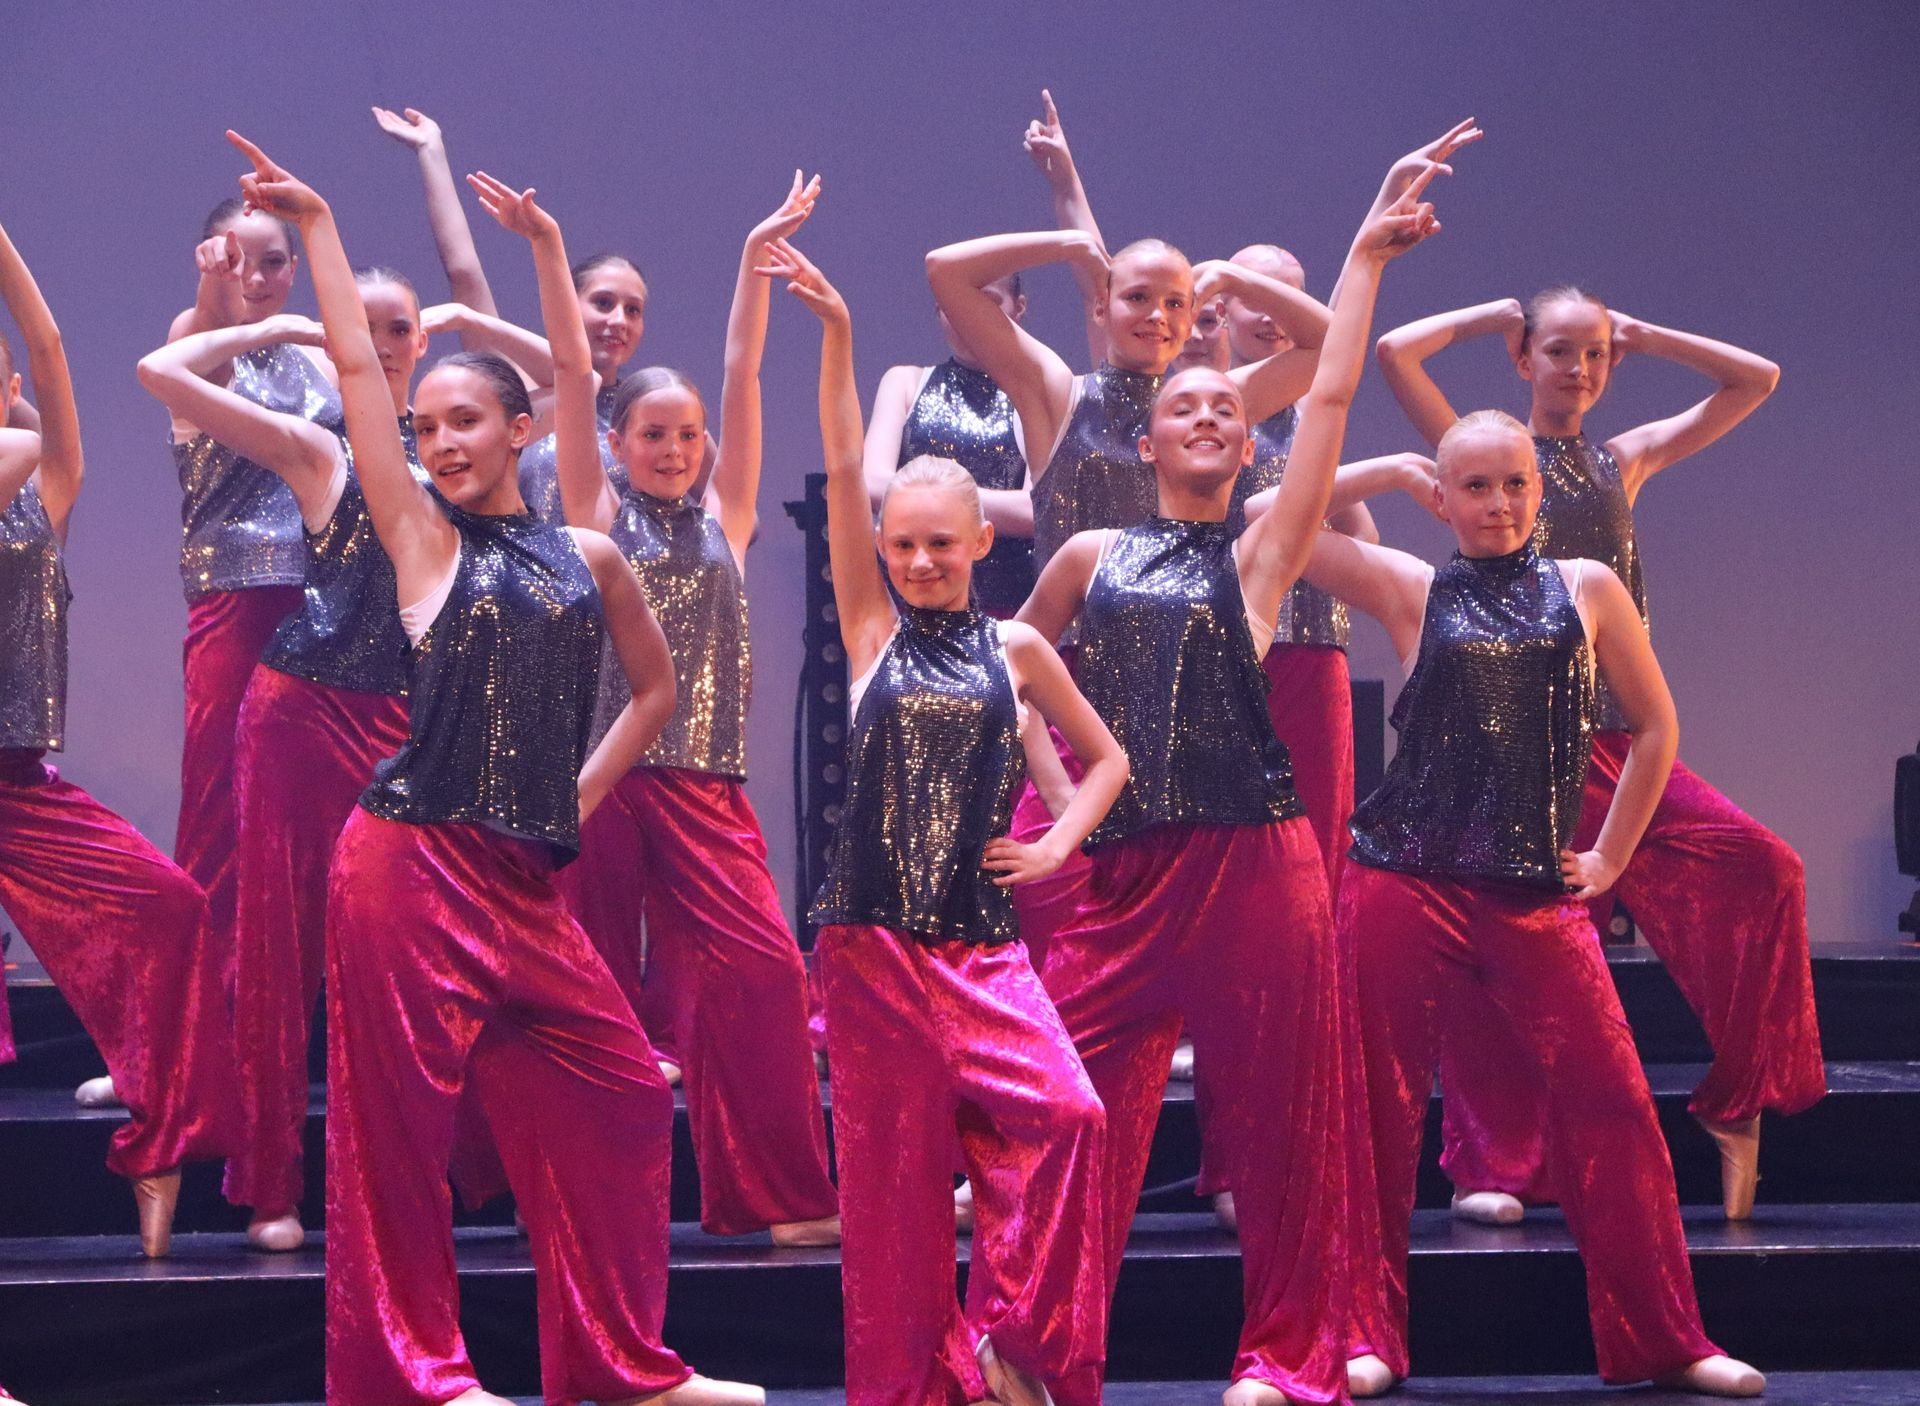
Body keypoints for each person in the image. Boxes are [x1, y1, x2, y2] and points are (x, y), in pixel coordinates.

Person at [225, 131, 759, 1406]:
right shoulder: (421, 540)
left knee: (623, 1094)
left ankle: (622, 1364)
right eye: (425, 427)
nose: (441, 441)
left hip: (521, 883)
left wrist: (576, 794)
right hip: (407, 867)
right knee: (397, 1137)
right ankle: (418, 1376)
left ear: (522, 429)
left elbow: (655, 694)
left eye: (464, 420)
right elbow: (357, 370)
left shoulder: (590, 552)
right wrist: (319, 229)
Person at [1015, 158, 1445, 1406]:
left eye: (1224, 408)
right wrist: (1064, 812)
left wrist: (1362, 258)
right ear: (1147, 435)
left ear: (1248, 442)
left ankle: (1288, 1351)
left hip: (1260, 862)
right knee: (1073, 1109)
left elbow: (1333, 389)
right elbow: (1016, 678)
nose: (1205, 415)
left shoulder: (1262, 549)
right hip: (1130, 874)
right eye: (1184, 406)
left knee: (1282, 1117)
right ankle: (1034, 1342)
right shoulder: (1089, 553)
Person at [1306, 408, 1765, 1399]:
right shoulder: (1413, 587)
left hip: (1532, 891)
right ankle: (1364, 1332)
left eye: (1515, 482)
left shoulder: (1587, 586)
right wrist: (1387, 469)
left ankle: (1667, 1338)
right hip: (1406, 879)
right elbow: (1273, 518)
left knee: (1613, 1102)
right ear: (1443, 499)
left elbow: (1655, 727)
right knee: (1371, 1111)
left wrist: (1610, 854)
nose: (1499, 502)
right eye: (1474, 486)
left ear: (1540, 487)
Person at [1375, 286, 1818, 1224]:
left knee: (1765, 869)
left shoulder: (1624, 458)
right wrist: (1492, 313)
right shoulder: (1488, 453)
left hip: (1615, 740)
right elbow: (1395, 353)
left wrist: (1647, 335)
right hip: (1516, 755)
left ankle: (1735, 1101)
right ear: (1523, 360)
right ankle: (1491, 1163)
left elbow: (1758, 380)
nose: (1579, 368)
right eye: (1558, 351)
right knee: (1503, 955)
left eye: (1597, 354)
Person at [774, 231, 1127, 1406]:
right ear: (882, 547)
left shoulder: (1017, 645)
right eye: (904, 543)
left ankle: (1009, 1335)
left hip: (979, 946)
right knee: (891, 1203)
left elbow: (1108, 760)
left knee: (1071, 1117)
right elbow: (843, 457)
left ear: (982, 540)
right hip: (871, 949)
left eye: (942, 543)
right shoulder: (870, 633)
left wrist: (1056, 842)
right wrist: (837, 334)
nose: (922, 560)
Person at [475, 165, 840, 1246]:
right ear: (618, 446)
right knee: (578, 988)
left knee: (761, 974)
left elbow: (742, 369)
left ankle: (779, 1197)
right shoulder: (589, 513)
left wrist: (753, 260)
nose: (676, 450)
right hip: (600, 784)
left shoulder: (731, 514)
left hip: (703, 786)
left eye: (688, 436)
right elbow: (573, 369)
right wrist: (547, 247)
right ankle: (571, 1195)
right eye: (654, 436)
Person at [139, 263, 446, 1251]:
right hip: (300, 718)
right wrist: (283, 329)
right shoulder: (321, 447)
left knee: (402, 953)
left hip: (404, 725)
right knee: (280, 951)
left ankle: (404, 1180)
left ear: (422, 341)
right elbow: (160, 372)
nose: (383, 344)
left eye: (399, 329)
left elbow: (567, 378)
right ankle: (272, 1183)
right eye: (366, 328)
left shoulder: (460, 455)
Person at [0, 209, 237, 1257]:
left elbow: (50, 352)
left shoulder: (43, 494)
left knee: (170, 907)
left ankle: (159, 1153)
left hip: (18, 783)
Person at [154, 194, 343, 1042]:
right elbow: (204, 347)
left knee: (318, 814)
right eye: (238, 261)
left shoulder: (320, 357)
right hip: (236, 602)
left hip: (325, 604)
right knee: (218, 814)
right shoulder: (199, 338)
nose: (258, 277)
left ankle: (292, 1026)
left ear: (294, 269)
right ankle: (195, 1037)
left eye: (272, 262)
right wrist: (220, 296)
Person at [860, 271, 1035, 617]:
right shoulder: (905, 382)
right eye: (956, 302)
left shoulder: (1038, 395)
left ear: (1019, 307)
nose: (970, 313)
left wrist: (930, 499)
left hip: (1009, 611)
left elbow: (1034, 510)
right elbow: (871, 483)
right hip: (911, 605)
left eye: (988, 300)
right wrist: (964, 504)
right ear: (939, 310)